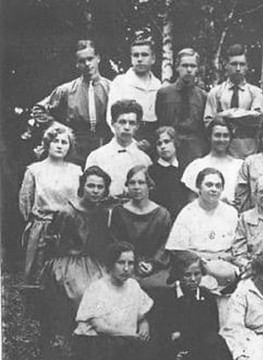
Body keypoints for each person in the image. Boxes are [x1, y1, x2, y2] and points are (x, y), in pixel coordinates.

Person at [68, 242, 153, 360]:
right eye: (121, 263)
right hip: (97, 343)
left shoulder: (133, 286)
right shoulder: (98, 288)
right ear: (110, 264)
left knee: (141, 345)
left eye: (130, 263)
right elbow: (100, 327)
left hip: (124, 342)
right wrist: (130, 336)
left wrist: (144, 324)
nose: (126, 269)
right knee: (114, 357)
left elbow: (141, 314)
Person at [41, 166, 112, 344]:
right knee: (81, 291)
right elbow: (52, 244)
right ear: (82, 187)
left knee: (109, 287)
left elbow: (102, 243)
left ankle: (103, 338)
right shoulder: (67, 212)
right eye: (91, 186)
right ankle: (77, 337)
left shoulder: (102, 213)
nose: (95, 191)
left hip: (94, 261)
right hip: (68, 261)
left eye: (100, 187)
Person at [150, 252, 233, 360]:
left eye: (197, 274)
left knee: (214, 343)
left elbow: (211, 328)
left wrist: (184, 336)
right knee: (167, 351)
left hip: (196, 346)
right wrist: (176, 338)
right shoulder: (166, 297)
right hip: (173, 347)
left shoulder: (207, 297)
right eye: (187, 275)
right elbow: (160, 330)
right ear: (178, 275)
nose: (193, 279)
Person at [19, 124, 82, 285]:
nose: (60, 146)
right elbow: (25, 202)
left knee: (66, 274)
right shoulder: (34, 170)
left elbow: (80, 199)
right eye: (56, 141)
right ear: (47, 144)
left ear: (69, 147)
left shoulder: (76, 171)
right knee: (39, 273)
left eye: (64, 142)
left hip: (68, 226)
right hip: (42, 227)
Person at [34, 39, 111, 165]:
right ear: (77, 64)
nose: (87, 64)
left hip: (104, 146)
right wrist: (56, 126)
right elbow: (39, 109)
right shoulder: (66, 90)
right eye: (82, 61)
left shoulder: (112, 88)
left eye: (90, 59)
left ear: (98, 58)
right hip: (75, 148)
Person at [166, 168, 239, 294]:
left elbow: (237, 246)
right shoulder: (188, 213)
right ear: (198, 187)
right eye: (209, 185)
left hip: (227, 265)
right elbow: (178, 250)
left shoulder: (231, 212)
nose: (214, 189)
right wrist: (210, 259)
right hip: (197, 267)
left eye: (218, 186)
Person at [109, 165, 172, 290]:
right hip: (127, 265)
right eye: (132, 183)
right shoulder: (119, 212)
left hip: (157, 268)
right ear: (127, 186)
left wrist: (153, 264)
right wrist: (135, 262)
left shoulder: (162, 214)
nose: (136, 187)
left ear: (149, 186)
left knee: (164, 286)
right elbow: (116, 242)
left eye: (141, 182)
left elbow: (165, 245)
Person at [204, 44, 263, 159]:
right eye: (234, 64)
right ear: (226, 65)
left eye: (242, 64)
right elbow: (208, 123)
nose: (238, 68)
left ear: (247, 67)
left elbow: (257, 119)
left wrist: (224, 115)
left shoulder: (255, 93)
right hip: (221, 150)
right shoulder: (216, 93)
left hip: (248, 150)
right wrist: (244, 116)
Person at [85, 99, 151, 200]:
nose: (127, 127)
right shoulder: (96, 157)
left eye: (132, 123)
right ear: (113, 123)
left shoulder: (144, 158)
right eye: (122, 122)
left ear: (137, 126)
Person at [155, 48, 209, 168]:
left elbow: (204, 129)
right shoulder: (164, 94)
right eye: (185, 65)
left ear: (197, 69)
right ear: (177, 67)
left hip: (195, 150)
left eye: (193, 66)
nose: (189, 70)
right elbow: (160, 123)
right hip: (170, 149)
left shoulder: (203, 96)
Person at [107, 38, 162, 152]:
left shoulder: (158, 85)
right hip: (125, 139)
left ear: (153, 59)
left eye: (144, 55)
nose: (140, 59)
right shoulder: (121, 82)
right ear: (131, 58)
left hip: (152, 142)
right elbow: (111, 116)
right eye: (136, 55)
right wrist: (131, 142)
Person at [181, 118, 243, 205]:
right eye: (217, 135)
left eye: (225, 136)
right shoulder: (196, 165)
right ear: (209, 137)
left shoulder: (240, 165)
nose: (221, 139)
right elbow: (192, 201)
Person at [148, 126, 186, 218]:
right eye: (159, 144)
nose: (163, 146)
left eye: (167, 141)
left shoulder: (185, 168)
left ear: (175, 142)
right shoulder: (152, 171)